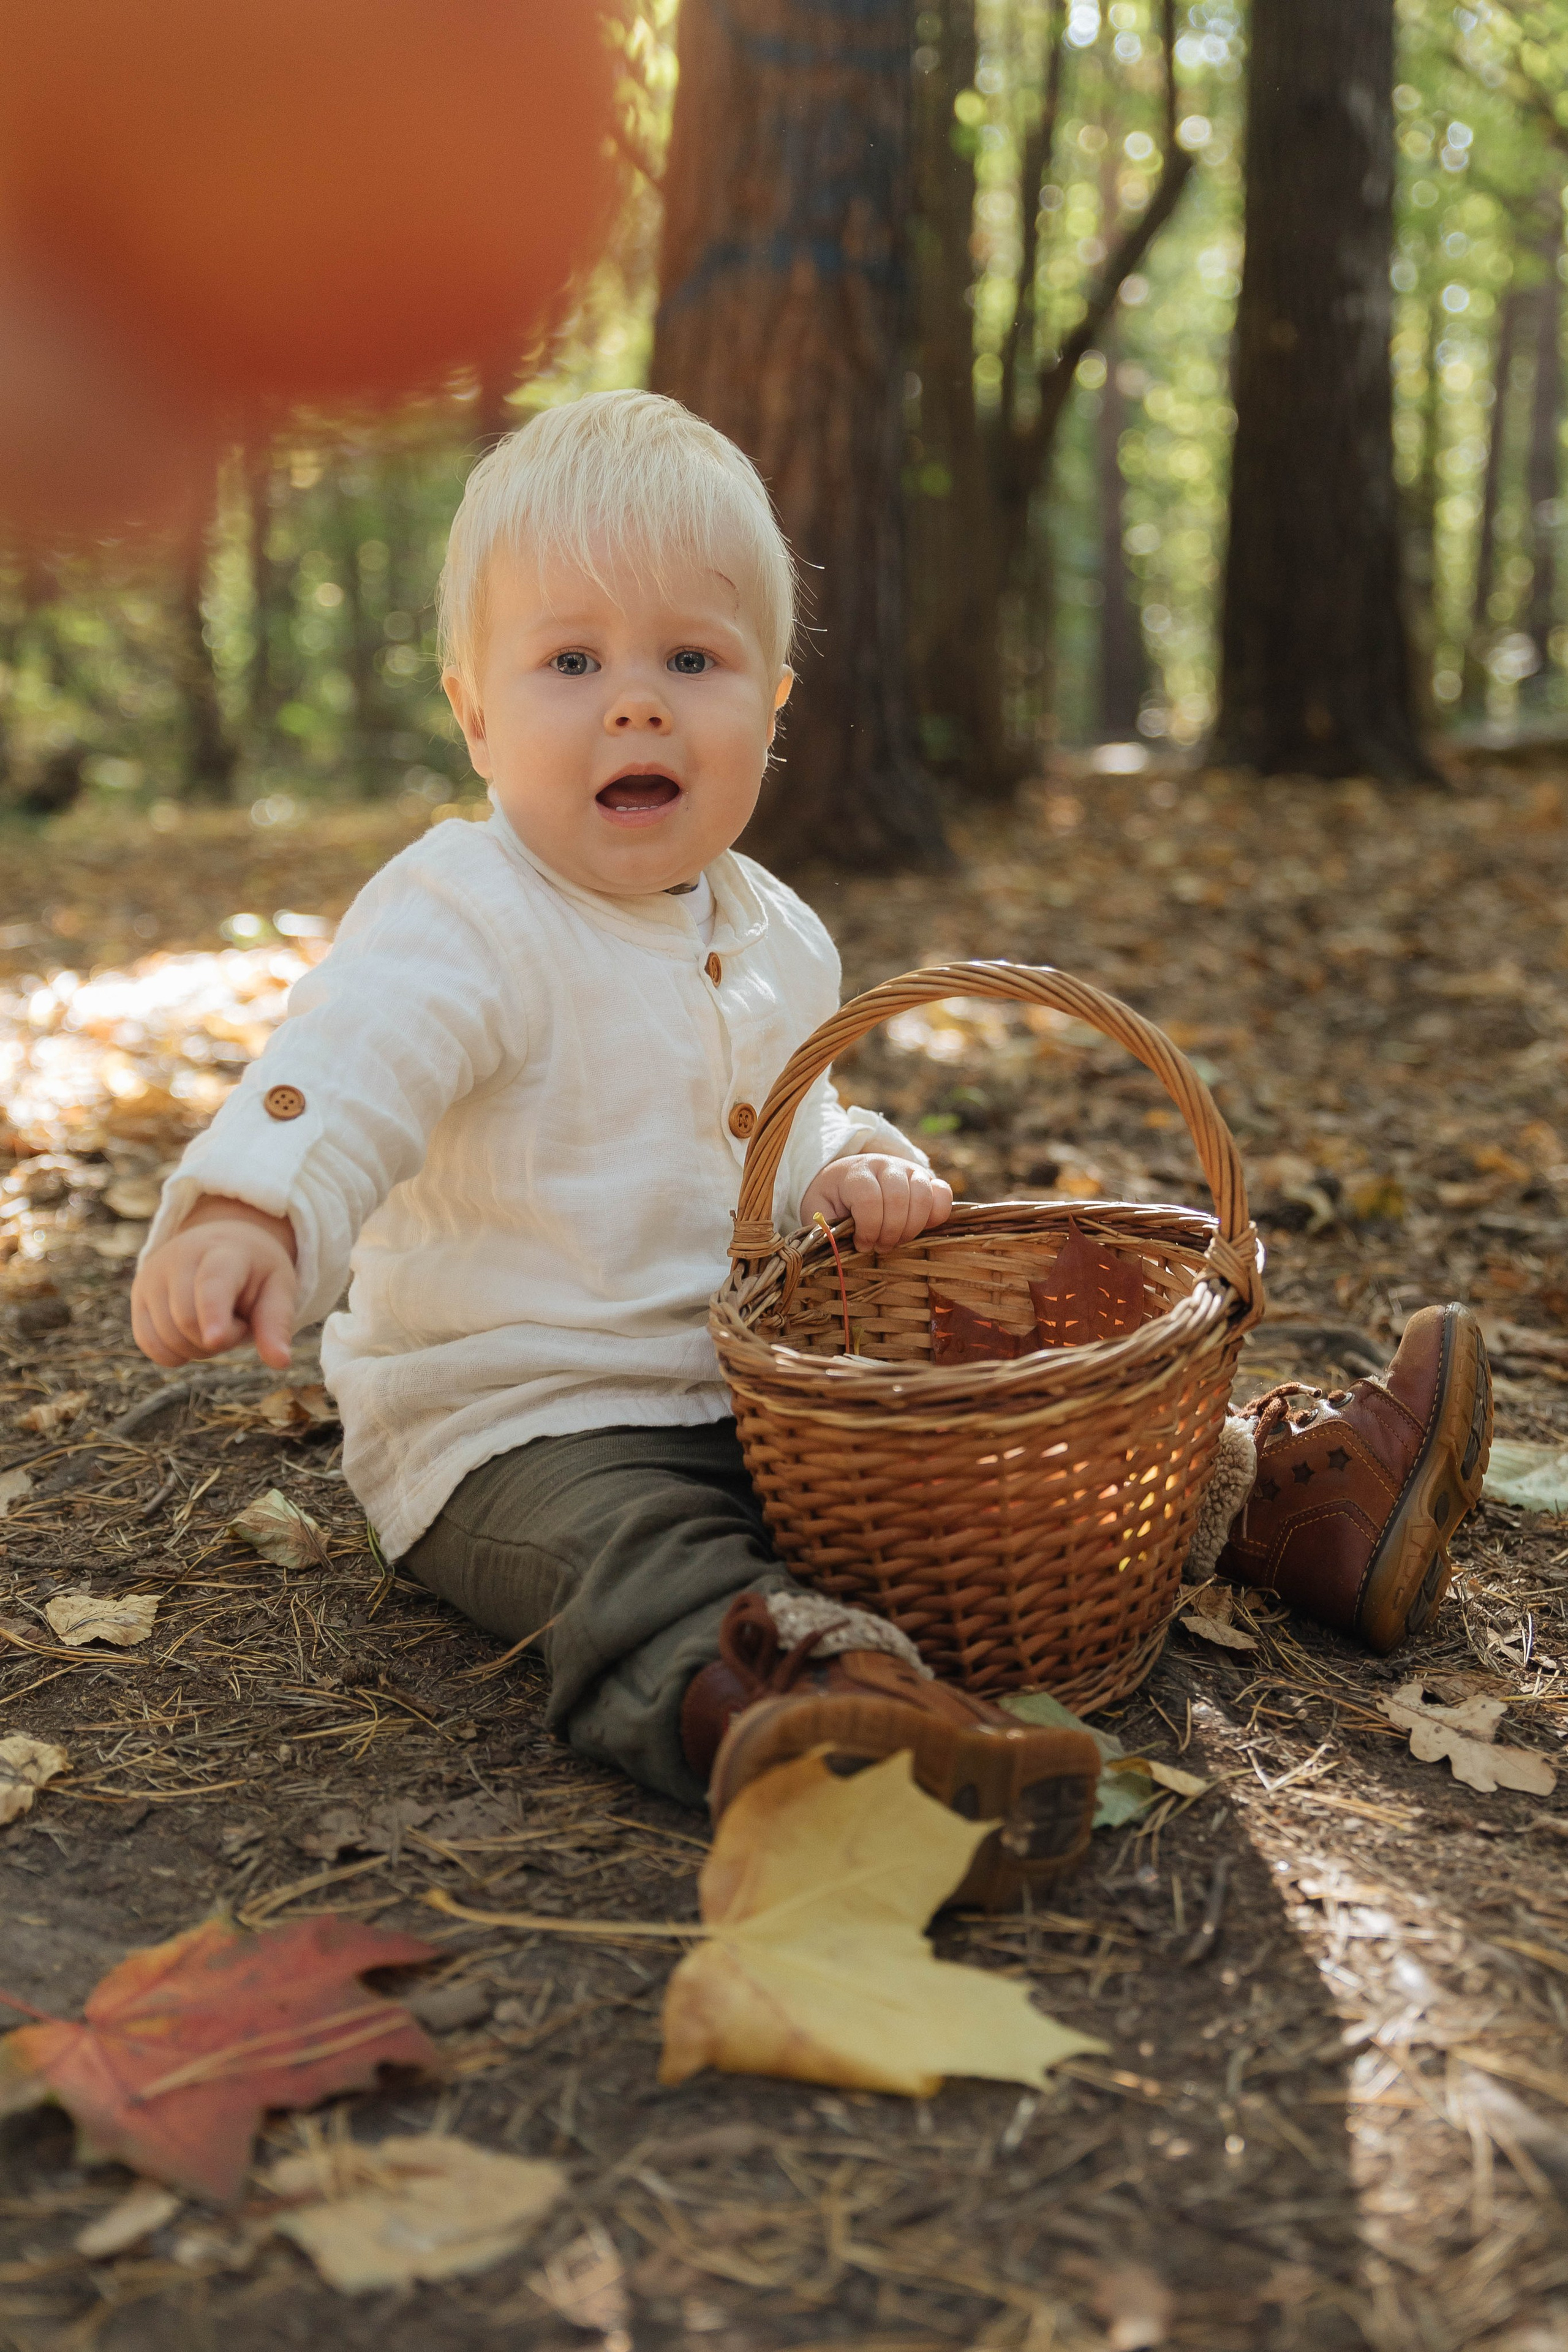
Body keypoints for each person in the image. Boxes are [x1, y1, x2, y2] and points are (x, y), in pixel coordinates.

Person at [130, 391, 1491, 1911]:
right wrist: (255, 1208)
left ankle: (1278, 1506)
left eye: (689, 662)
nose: (634, 705)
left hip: (772, 1404)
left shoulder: (778, 931)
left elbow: (798, 1118)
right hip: (523, 1424)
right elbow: (352, 1066)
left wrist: (855, 1164)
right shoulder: (466, 914)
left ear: (770, 708)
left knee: (992, 1475)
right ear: (474, 712)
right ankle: (803, 1720)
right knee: (644, 1556)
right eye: (571, 661)